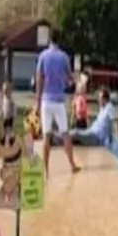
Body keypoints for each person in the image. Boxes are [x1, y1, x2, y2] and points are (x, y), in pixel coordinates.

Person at [34, 31, 80, 176]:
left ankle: (46, 169)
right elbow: (69, 78)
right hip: (59, 100)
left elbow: (39, 78)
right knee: (65, 133)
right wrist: (72, 81)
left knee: (46, 136)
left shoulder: (43, 56)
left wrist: (38, 100)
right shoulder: (64, 57)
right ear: (59, 41)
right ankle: (72, 164)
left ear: (49, 40)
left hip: (46, 100)